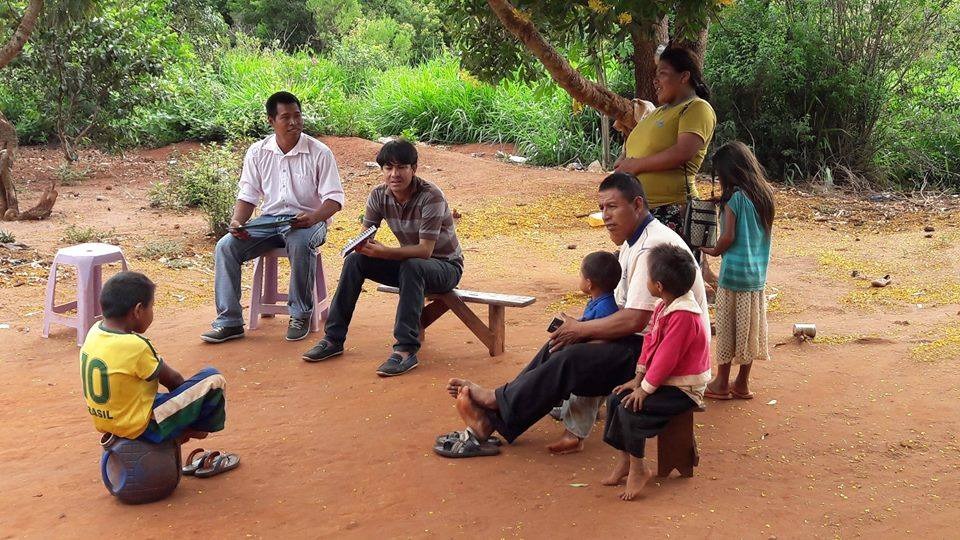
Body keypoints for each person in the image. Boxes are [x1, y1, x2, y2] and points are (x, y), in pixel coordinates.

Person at [436, 172, 710, 458]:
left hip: (665, 357)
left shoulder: (651, 248)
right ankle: (492, 417)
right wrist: (579, 328)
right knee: (560, 342)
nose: (605, 216)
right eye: (602, 208)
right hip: (647, 343)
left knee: (570, 358)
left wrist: (582, 331)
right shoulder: (634, 241)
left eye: (613, 207)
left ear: (638, 205)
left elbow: (635, 320)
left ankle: (495, 402)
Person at [302, 139, 464, 377]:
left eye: (401, 167)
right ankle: (333, 339)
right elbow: (366, 237)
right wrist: (359, 247)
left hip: (446, 268)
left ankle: (406, 350)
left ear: (414, 168)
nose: (394, 174)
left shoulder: (431, 196)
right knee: (355, 262)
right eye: (388, 168)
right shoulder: (379, 196)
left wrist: (385, 252)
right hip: (411, 266)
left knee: (413, 266)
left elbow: (425, 251)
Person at [202, 91, 344, 344]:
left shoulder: (319, 152)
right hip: (270, 222)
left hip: (309, 222)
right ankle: (230, 321)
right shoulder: (257, 152)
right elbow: (248, 195)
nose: (294, 123)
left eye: (297, 116)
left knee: (300, 243)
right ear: (271, 121)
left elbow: (333, 200)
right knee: (226, 246)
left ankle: (299, 314)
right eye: (285, 117)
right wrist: (237, 222)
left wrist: (313, 218)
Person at [81, 272, 234, 471]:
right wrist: (188, 415)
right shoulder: (135, 345)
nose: (152, 312)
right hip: (140, 426)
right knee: (213, 379)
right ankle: (188, 432)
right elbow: (174, 380)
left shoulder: (94, 332)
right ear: (137, 310)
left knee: (151, 392)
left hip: (108, 420)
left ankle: (171, 430)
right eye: (151, 307)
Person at [601, 244, 711, 500]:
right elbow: (651, 342)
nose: (646, 280)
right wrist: (638, 378)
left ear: (658, 285)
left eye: (648, 276)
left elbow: (667, 358)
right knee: (615, 398)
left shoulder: (684, 315)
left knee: (630, 408)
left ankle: (639, 467)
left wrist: (645, 389)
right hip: (663, 381)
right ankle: (625, 461)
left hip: (685, 388)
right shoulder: (664, 305)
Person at [614, 47, 717, 249]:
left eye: (662, 73)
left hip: (671, 209)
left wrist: (636, 166)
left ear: (684, 76)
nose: (655, 81)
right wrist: (623, 162)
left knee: (667, 276)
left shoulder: (696, 108)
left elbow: (683, 152)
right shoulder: (657, 113)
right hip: (642, 210)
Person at [701, 141, 775, 400]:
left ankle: (721, 381)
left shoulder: (734, 199)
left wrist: (710, 249)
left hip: (733, 276)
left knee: (727, 326)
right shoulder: (764, 195)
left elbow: (728, 238)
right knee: (748, 328)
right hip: (756, 276)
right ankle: (742, 382)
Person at [547, 250, 621, 455]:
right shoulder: (600, 301)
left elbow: (598, 334)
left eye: (581, 276)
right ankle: (572, 411)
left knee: (581, 391)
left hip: (597, 362)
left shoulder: (605, 308)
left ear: (589, 284)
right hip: (601, 358)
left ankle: (575, 436)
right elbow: (589, 324)